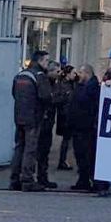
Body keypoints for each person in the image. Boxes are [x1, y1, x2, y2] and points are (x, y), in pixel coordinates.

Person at [9, 50, 52, 191]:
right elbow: (46, 97)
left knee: (19, 147)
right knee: (30, 149)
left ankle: (14, 180)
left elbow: (14, 94)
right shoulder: (40, 76)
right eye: (46, 61)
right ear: (40, 61)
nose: (48, 64)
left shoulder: (20, 75)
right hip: (33, 118)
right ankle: (27, 181)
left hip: (19, 117)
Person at [68, 63, 102, 193]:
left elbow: (84, 104)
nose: (78, 75)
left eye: (80, 73)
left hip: (87, 127)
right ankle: (83, 180)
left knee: (88, 155)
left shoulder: (91, 88)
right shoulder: (84, 86)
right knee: (81, 155)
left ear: (87, 74)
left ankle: (93, 181)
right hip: (80, 127)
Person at [34, 62, 62, 190]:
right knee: (40, 151)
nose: (59, 74)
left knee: (44, 152)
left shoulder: (53, 83)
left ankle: (42, 177)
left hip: (48, 121)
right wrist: (60, 98)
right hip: (42, 121)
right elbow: (48, 98)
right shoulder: (44, 81)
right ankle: (38, 177)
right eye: (57, 71)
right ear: (50, 71)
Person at [52, 63, 77, 171]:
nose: (75, 75)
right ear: (68, 74)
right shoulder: (63, 85)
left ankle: (64, 160)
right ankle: (63, 161)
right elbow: (62, 99)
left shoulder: (71, 84)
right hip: (66, 115)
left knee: (68, 140)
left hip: (68, 114)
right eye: (73, 73)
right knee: (67, 140)